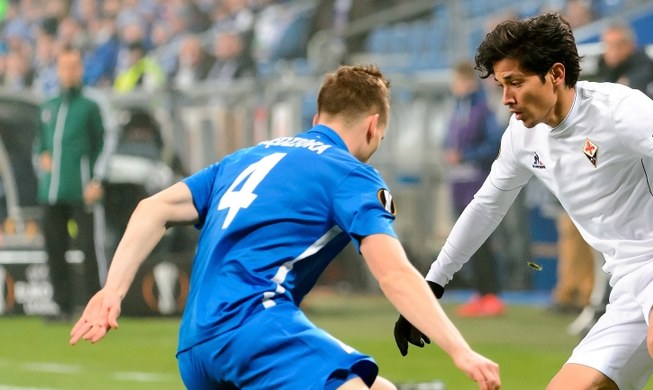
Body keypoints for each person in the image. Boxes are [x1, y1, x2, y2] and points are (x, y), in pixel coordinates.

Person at [393, 13, 653, 389]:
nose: (507, 99)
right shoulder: (520, 136)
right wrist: (433, 282)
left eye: (515, 82)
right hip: (626, 284)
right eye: (501, 86)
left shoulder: (618, 110)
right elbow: (486, 207)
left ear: (555, 74)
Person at [69, 65, 501, 390]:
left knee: (375, 385)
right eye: (382, 134)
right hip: (253, 326)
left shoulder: (244, 158)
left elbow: (151, 208)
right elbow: (393, 272)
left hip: (195, 345)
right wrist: (459, 350)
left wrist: (113, 291)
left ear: (318, 116)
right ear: (374, 126)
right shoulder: (349, 173)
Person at [36, 47, 109, 322]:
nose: (69, 72)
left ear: (81, 69)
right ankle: (61, 305)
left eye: (74, 66)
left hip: (82, 190)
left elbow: (104, 142)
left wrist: (97, 178)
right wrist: (41, 159)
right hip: (51, 191)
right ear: (58, 69)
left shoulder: (91, 105)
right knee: (55, 248)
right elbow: (40, 144)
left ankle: (96, 305)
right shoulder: (48, 106)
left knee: (89, 248)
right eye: (65, 66)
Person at [444, 60, 505, 317]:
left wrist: (467, 155)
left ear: (468, 82)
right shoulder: (456, 110)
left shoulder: (482, 110)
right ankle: (480, 293)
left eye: (458, 81)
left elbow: (494, 142)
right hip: (458, 183)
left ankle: (491, 293)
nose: (454, 86)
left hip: (477, 181)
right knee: (466, 240)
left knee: (481, 239)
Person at [594, 19, 653, 108]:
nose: (613, 52)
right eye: (608, 45)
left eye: (618, 45)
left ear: (631, 45)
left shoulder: (645, 68)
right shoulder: (603, 68)